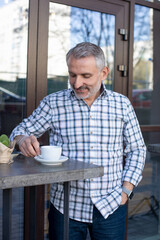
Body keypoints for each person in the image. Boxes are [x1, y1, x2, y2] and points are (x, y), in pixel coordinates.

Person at [10, 42, 146, 240]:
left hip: (111, 205)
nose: (76, 83)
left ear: (104, 73)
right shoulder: (53, 103)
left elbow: (137, 150)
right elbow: (19, 131)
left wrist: (126, 190)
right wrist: (21, 139)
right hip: (66, 206)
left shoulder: (122, 105)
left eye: (86, 76)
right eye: (72, 75)